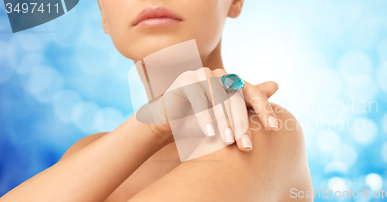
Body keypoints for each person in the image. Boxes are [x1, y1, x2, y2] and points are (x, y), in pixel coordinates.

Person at [0, 0, 312, 201]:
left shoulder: (260, 132)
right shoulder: (85, 153)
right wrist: (152, 126)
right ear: (102, 14)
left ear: (234, 1)